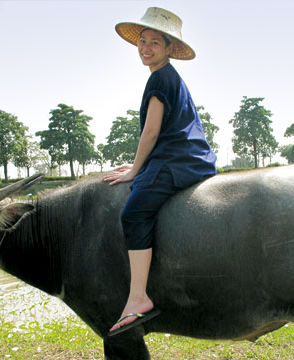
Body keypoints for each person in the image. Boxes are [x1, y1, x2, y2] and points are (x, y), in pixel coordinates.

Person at [104, 7, 217, 335]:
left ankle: (138, 296)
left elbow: (151, 133)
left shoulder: (161, 78)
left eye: (155, 42)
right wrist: (138, 163)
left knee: (133, 213)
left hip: (176, 160)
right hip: (185, 155)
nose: (145, 47)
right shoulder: (169, 78)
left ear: (170, 49)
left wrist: (134, 172)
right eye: (142, 41)